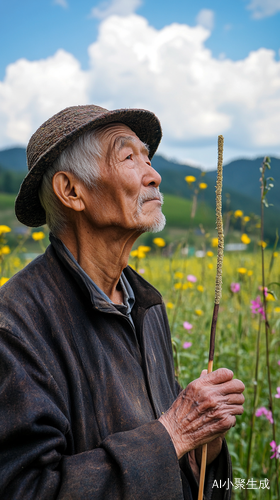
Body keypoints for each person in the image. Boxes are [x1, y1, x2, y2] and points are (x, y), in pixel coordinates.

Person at [0, 104, 245, 500]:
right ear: (72, 191)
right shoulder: (17, 323)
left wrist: (203, 447)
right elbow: (27, 489)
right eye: (128, 156)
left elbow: (180, 457)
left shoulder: (146, 305)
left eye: (148, 157)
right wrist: (172, 434)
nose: (154, 174)